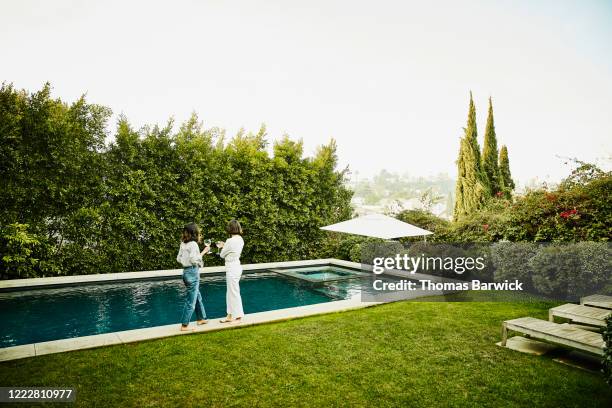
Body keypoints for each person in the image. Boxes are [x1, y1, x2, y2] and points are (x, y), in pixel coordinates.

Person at [176, 222, 211, 331]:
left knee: (197, 296)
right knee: (191, 301)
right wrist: (204, 252)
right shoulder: (193, 244)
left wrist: (185, 261)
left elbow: (178, 259)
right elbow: (193, 259)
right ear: (195, 233)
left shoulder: (183, 244)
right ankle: (184, 325)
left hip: (185, 273)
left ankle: (201, 319)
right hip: (192, 272)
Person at [216, 219, 245, 323]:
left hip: (231, 268)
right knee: (231, 292)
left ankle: (239, 316)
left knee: (233, 292)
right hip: (237, 266)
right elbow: (232, 250)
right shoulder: (240, 239)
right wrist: (225, 246)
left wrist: (223, 246)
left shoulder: (230, 241)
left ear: (230, 229)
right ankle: (229, 316)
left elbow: (222, 255)